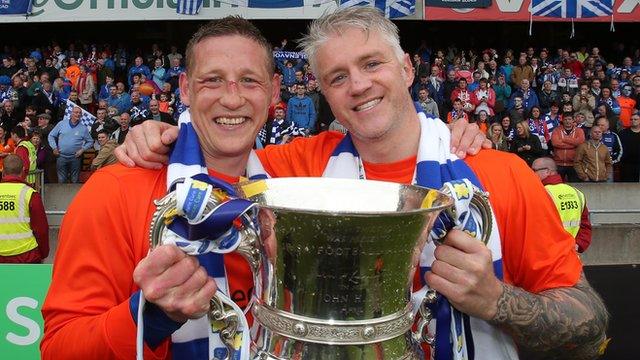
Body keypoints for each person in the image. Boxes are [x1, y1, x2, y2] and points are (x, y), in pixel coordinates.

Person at [117, 8, 607, 360]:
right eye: (336, 76)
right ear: (324, 93)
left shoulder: (496, 174)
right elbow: (218, 142)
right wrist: (158, 136)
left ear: (408, 68)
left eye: (372, 64)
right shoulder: (293, 170)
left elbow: (590, 325)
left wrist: (496, 299)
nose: (358, 85)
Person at [42, 15, 492, 360]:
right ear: (184, 88)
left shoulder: (299, 175)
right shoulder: (115, 190)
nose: (232, 98)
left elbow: (389, 136)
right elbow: (58, 347)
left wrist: (453, 136)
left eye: (250, 81)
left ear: (275, 91)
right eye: (212, 80)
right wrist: (151, 315)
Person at [532, 157, 592, 253]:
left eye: (534, 170)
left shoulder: (540, 194)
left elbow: (535, 229)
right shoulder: (576, 193)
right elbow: (585, 226)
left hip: (548, 256)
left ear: (547, 171)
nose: (532, 173)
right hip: (571, 255)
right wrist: (578, 244)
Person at [0, 154, 49, 263]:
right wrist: (43, 252)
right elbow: (41, 229)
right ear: (23, 171)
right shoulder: (30, 194)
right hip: (26, 255)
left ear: (3, 171)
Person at [47, 105, 94, 183]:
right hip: (61, 156)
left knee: (75, 179)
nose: (78, 114)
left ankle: (74, 195)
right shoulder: (61, 124)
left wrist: (82, 150)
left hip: (75, 157)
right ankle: (62, 195)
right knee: (61, 180)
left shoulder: (83, 128)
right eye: (76, 112)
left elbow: (90, 141)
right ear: (71, 114)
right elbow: (51, 136)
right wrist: (54, 147)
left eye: (80, 113)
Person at [551, 113, 585, 182]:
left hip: (574, 164)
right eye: (565, 119)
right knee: (559, 185)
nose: (567, 121)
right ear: (562, 120)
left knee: (575, 186)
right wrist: (573, 144)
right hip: (559, 164)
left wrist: (564, 139)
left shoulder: (579, 131)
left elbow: (580, 142)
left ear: (573, 120)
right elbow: (555, 143)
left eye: (569, 119)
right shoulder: (556, 130)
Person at [618, 114, 640, 182]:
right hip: (626, 165)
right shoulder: (623, 133)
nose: (633, 121)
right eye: (631, 119)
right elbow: (618, 147)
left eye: (635, 119)